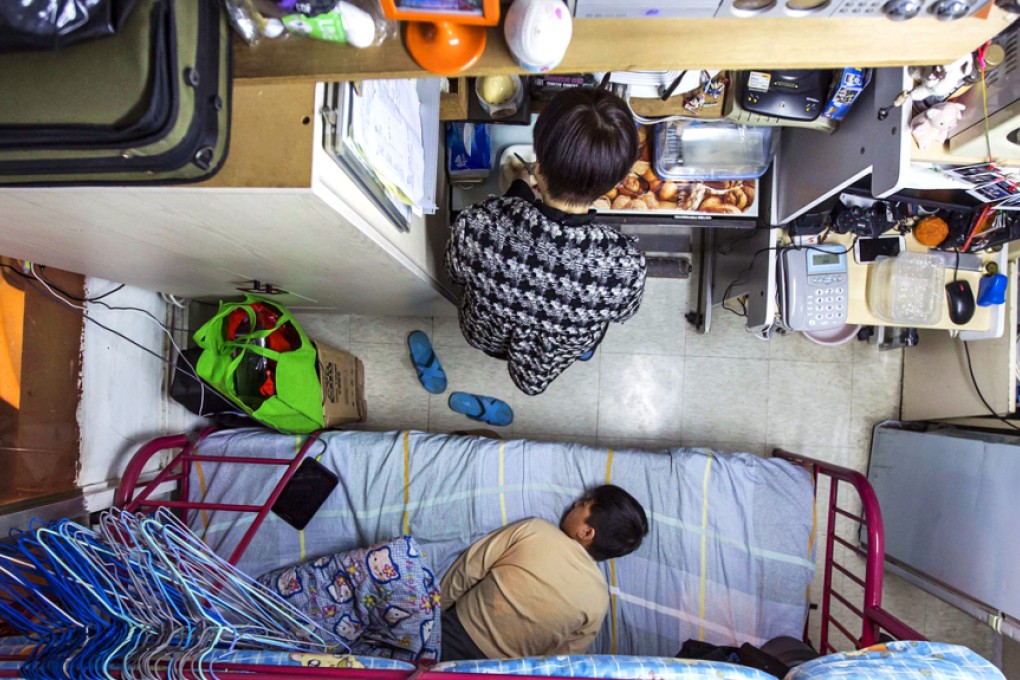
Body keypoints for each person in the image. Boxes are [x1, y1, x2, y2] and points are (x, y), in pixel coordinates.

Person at [445, 89, 647, 397]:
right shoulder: (624, 267)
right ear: (614, 185)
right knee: (585, 336)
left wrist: (515, 201)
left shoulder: (477, 226)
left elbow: (454, 272)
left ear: (538, 167)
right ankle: (580, 349)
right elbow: (624, 312)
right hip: (556, 349)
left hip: (486, 334)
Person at [439, 485, 649, 661]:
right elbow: (563, 659)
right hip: (506, 669)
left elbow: (470, 567)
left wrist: (437, 608)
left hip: (454, 633)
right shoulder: (599, 600)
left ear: (587, 532)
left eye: (583, 504)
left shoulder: (535, 530)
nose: (575, 504)